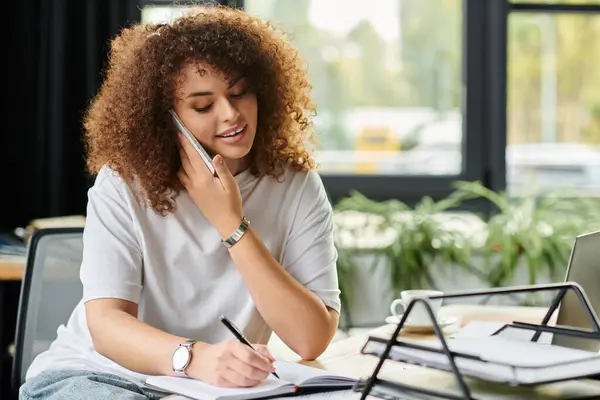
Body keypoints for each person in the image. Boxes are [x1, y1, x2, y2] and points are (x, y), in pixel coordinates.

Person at [20, 5, 341, 399]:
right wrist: (195, 359)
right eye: (203, 106)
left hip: (211, 391)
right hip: (97, 377)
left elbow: (310, 340)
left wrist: (231, 225)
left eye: (240, 92)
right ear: (165, 118)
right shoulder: (123, 183)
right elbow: (106, 324)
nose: (231, 114)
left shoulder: (294, 184)